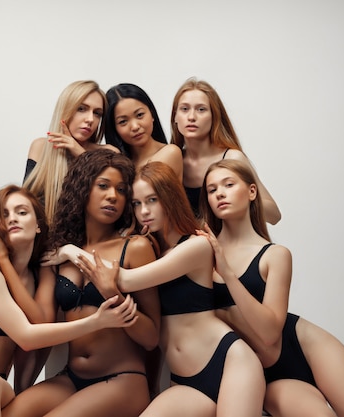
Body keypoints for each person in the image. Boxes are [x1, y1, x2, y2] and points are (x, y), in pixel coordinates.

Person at [0, 185, 138, 417]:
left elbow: (42, 329)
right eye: (4, 214)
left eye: (21, 212)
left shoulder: (39, 278)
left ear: (38, 224)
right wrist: (96, 321)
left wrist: (67, 251)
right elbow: (26, 337)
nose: (12, 219)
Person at [68, 161, 265, 417]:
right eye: (137, 204)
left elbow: (125, 280)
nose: (144, 211)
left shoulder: (196, 246)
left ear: (169, 198)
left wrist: (71, 251)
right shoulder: (155, 251)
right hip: (184, 379)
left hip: (231, 362)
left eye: (152, 200)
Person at [197, 159, 344, 417]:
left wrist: (228, 273)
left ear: (252, 192)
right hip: (259, 373)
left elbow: (269, 332)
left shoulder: (275, 255)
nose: (219, 193)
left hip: (305, 346)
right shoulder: (200, 252)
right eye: (211, 189)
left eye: (228, 184)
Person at [2, 149, 160, 417]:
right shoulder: (60, 253)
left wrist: (115, 296)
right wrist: (9, 264)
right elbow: (41, 323)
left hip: (122, 380)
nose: (113, 196)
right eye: (103, 186)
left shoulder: (135, 248)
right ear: (82, 189)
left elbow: (152, 338)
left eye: (121, 190)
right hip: (71, 378)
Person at [170, 77, 281, 224]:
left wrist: (239, 197)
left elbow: (274, 216)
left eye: (201, 109)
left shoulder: (232, 157)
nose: (191, 117)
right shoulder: (172, 160)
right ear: (175, 117)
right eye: (184, 109)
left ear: (214, 116)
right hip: (189, 245)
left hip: (229, 243)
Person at [23, 80, 118, 226]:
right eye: (81, 109)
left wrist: (81, 155)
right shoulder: (41, 147)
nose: (90, 119)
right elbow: (26, 206)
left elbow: (111, 204)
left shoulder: (109, 153)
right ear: (65, 110)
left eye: (97, 113)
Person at [105, 83, 183, 182]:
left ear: (152, 114)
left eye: (140, 115)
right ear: (114, 128)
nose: (135, 126)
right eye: (123, 121)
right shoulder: (119, 162)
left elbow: (139, 189)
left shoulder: (170, 152)